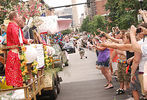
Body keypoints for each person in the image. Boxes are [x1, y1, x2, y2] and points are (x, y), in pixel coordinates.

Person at [5, 11, 31, 87]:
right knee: (15, 73)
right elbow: (17, 39)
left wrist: (27, 41)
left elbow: (21, 39)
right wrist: (22, 46)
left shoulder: (15, 26)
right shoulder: (12, 26)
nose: (19, 17)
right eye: (18, 16)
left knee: (18, 73)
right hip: (14, 52)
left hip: (17, 51)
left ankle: (20, 88)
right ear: (14, 18)